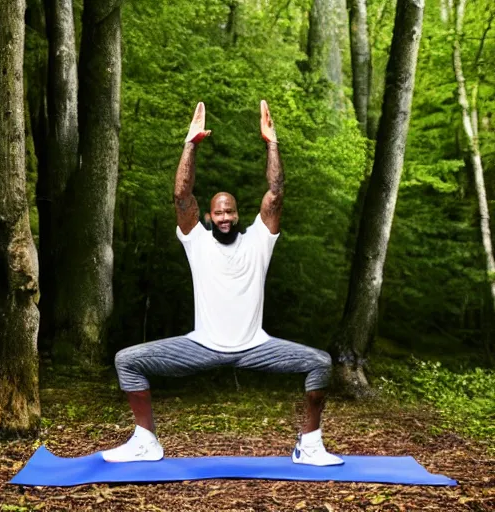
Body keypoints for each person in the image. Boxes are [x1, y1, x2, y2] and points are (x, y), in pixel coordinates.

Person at [102, 101, 343, 467]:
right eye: (219, 211)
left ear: (238, 213)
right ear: (209, 216)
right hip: (202, 345)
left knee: (320, 363)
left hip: (256, 346)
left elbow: (275, 192)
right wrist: (191, 144)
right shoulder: (196, 240)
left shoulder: (259, 240)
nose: (226, 216)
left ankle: (308, 446)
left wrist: (272, 144)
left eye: (230, 210)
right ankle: (145, 442)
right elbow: (182, 196)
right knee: (128, 361)